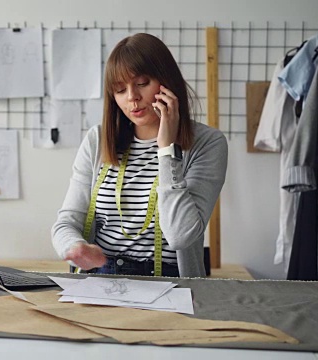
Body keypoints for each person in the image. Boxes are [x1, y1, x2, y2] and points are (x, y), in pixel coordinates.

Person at [51, 33, 228, 278]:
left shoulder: (207, 144)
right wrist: (73, 246)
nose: (132, 97)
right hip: (101, 279)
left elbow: (181, 236)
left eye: (142, 83)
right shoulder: (97, 141)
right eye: (120, 90)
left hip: (170, 282)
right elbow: (66, 222)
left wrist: (167, 149)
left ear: (167, 82)